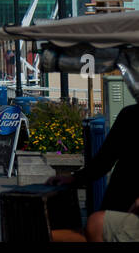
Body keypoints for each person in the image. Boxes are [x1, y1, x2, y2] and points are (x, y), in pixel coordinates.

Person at [48, 103, 138, 242]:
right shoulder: (130, 114)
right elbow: (105, 159)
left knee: (96, 225)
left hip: (125, 216)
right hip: (119, 204)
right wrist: (74, 178)